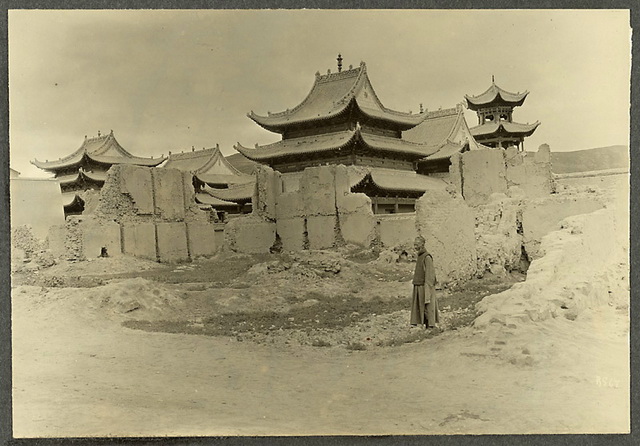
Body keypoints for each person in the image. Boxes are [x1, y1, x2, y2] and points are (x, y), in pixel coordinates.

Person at [410, 236, 439, 328]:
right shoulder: (419, 256)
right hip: (419, 285)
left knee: (428, 305)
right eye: (414, 244)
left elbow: (430, 274)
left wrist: (427, 288)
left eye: (417, 244)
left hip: (425, 285)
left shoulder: (427, 257)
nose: (415, 247)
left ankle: (430, 325)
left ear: (422, 244)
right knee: (420, 306)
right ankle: (422, 323)